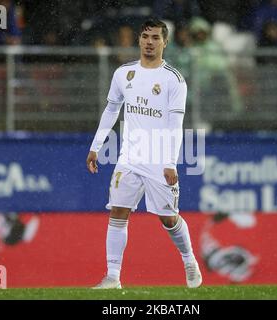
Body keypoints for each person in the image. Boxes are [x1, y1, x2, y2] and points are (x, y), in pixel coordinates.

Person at [86, 18, 202, 289]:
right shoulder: (123, 73)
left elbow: (176, 124)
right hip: (129, 155)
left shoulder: (173, 80)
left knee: (168, 218)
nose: (149, 42)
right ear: (139, 39)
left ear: (165, 42)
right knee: (118, 211)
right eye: (145, 37)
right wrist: (95, 146)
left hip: (160, 157)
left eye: (155, 38)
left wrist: (170, 163)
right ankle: (113, 277)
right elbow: (111, 110)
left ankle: (189, 260)